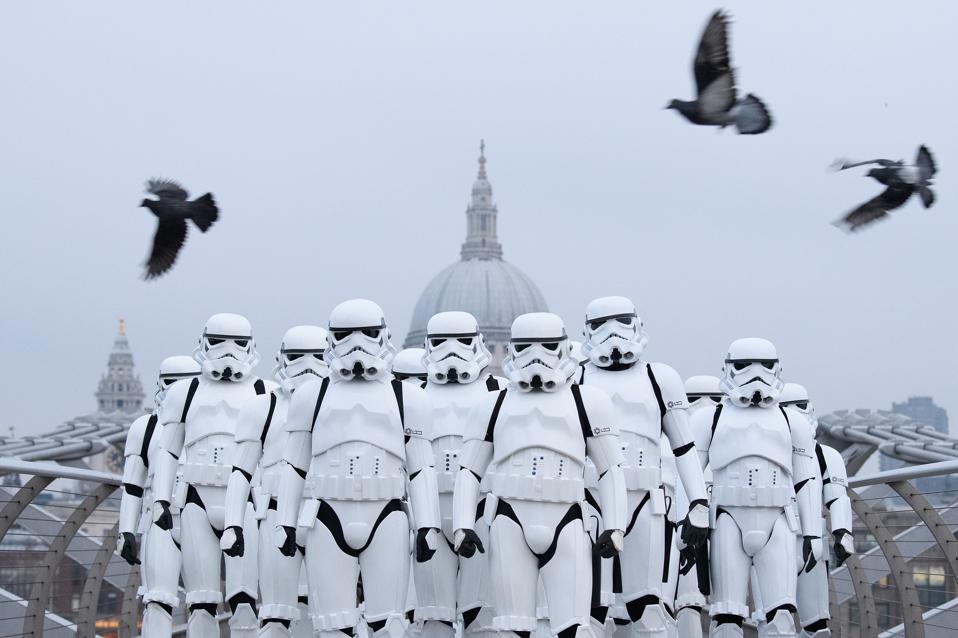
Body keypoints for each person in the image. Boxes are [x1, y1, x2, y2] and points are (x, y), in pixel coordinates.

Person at [453, 312, 628, 638]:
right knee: (511, 627)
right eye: (526, 347)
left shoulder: (587, 402)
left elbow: (610, 469)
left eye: (546, 346)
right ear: (513, 349)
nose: (537, 356)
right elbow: (469, 470)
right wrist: (462, 524)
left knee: (573, 627)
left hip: (568, 518)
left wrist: (616, 525)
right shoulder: (492, 405)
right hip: (509, 519)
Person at [275, 299, 442, 638]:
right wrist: (285, 522)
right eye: (345, 335)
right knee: (331, 626)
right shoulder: (311, 396)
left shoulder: (408, 398)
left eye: (366, 333)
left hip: (387, 514)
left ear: (382, 336)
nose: (357, 344)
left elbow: (421, 469)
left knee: (389, 625)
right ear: (331, 338)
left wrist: (428, 525)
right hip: (327, 514)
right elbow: (294, 465)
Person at [578, 297, 709, 638]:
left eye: (621, 321)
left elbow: (684, 447)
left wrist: (698, 504)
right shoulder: (576, 377)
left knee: (649, 611)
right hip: (591, 502)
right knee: (589, 613)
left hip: (646, 502)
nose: (613, 332)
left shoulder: (659, 378)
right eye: (601, 324)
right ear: (588, 331)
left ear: (636, 324)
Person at [152, 313, 274, 637]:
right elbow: (168, 450)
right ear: (205, 343)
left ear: (250, 345)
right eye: (219, 342)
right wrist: (161, 499)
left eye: (237, 343)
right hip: (196, 498)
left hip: (246, 500)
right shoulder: (184, 392)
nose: (228, 350)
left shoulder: (265, 392)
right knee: (200, 602)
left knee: (245, 600)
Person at [691, 339, 823, 638]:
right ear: (729, 368)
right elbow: (690, 474)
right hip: (726, 518)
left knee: (781, 615)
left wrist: (813, 532)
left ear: (777, 368)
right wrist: (687, 521)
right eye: (744, 365)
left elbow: (807, 480)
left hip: (778, 519)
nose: (755, 373)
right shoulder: (709, 418)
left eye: (764, 366)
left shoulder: (793, 421)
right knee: (726, 616)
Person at [221, 326, 330, 638]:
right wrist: (233, 524)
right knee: (275, 613)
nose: (307, 366)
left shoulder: (339, 406)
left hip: (326, 514)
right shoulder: (262, 407)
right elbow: (240, 471)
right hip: (274, 512)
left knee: (331, 616)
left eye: (317, 357)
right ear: (282, 359)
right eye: (297, 357)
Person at [413, 312, 505, 638]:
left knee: (484, 617)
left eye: (461, 341)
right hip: (430, 513)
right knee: (433, 617)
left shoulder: (501, 392)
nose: (451, 350)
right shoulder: (412, 396)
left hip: (485, 511)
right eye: (441, 342)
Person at [118, 355, 200, 637]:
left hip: (200, 518)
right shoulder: (145, 427)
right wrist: (126, 531)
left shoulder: (214, 425)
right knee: (157, 600)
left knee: (204, 602)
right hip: (158, 519)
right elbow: (132, 484)